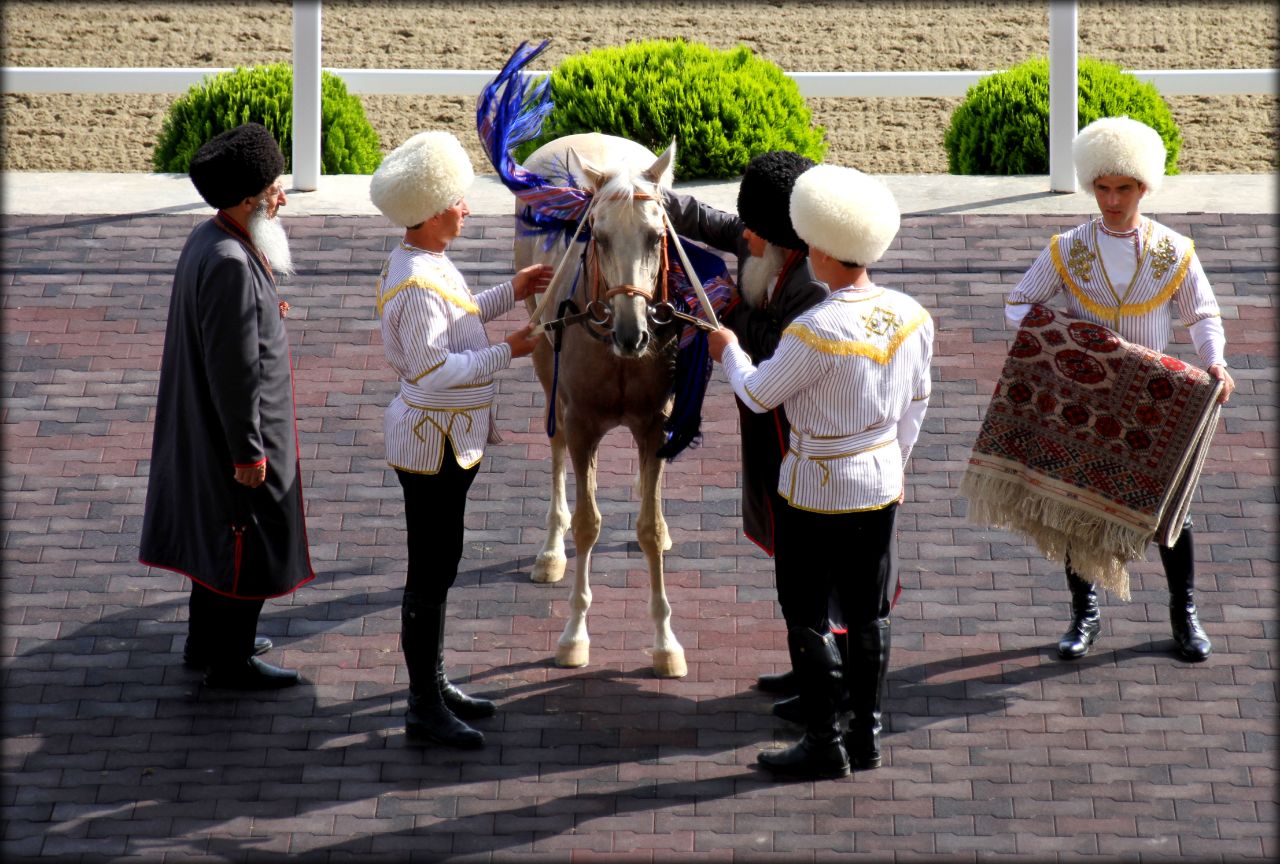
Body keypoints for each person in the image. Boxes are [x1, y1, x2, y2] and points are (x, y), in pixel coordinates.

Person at [708, 165, 933, 779]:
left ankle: (823, 739)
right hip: (881, 482)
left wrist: (728, 349)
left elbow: (758, 394)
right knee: (869, 614)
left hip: (814, 490)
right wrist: (897, 463)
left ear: (824, 252)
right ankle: (866, 736)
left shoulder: (812, 329)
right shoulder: (912, 315)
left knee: (805, 613)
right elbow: (918, 402)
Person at [1005, 116, 1234, 663]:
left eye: (1123, 188)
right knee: (1077, 504)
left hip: (1154, 396)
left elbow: (1202, 313)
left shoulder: (1173, 250)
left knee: (1171, 511)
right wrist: (1070, 339)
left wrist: (1216, 362)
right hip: (1086, 395)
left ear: (1144, 187)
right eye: (1102, 188)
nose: (1111, 200)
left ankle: (1185, 613)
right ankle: (1084, 613)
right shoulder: (1068, 247)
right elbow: (1018, 305)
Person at [369, 131, 551, 748]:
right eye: (457, 200)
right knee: (431, 570)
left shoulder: (424, 260)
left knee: (441, 566)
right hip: (433, 443)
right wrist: (509, 351)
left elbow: (459, 314)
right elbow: (432, 367)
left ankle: (434, 682)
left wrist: (511, 291)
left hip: (446, 437)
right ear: (429, 214)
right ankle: (422, 704)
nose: (465, 208)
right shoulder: (417, 281)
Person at [661, 151, 841, 714]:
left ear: (780, 234)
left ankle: (828, 679)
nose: (742, 233)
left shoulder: (809, 286)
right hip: (769, 430)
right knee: (792, 561)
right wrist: (650, 196)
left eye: (753, 228)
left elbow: (776, 346)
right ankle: (806, 666)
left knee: (814, 562)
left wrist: (728, 321)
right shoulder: (761, 241)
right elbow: (708, 221)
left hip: (802, 436)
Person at [140, 122, 312, 690]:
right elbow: (235, 373)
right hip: (237, 440)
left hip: (210, 432)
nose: (281, 196)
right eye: (273, 189)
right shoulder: (233, 265)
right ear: (247, 201)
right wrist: (249, 451)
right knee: (247, 539)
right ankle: (230, 658)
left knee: (218, 538)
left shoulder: (210, 239)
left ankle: (205, 641)